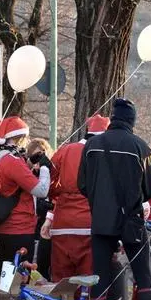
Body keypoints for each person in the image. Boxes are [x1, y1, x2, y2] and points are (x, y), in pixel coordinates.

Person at [78, 98, 151, 300]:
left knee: (100, 281)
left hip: (101, 221)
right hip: (132, 221)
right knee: (143, 279)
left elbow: (82, 184)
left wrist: (100, 202)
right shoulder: (141, 147)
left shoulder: (91, 145)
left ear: (112, 118)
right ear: (132, 121)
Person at [41, 115, 109, 282]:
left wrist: (54, 206)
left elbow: (49, 182)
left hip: (62, 224)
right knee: (88, 282)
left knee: (61, 282)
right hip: (89, 223)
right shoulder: (103, 154)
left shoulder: (66, 150)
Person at [0, 116, 51, 275]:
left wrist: (29, 165)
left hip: (3, 227)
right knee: (18, 277)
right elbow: (41, 190)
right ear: (20, 139)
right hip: (19, 228)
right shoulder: (13, 162)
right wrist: (45, 168)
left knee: (6, 275)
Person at [27, 137, 54, 279]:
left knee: (44, 272)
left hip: (46, 233)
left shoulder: (52, 176)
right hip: (30, 231)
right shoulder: (28, 176)